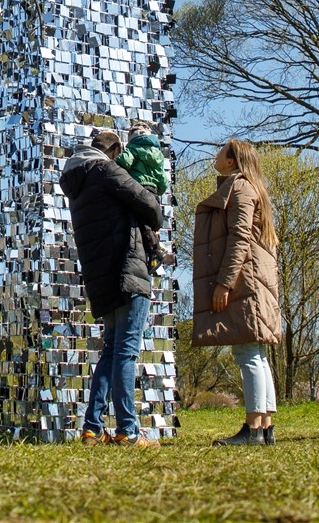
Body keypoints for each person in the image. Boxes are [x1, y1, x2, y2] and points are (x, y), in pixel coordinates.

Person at [60, 127, 164, 447]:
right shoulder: (106, 170)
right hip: (126, 270)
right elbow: (151, 207)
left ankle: (92, 428)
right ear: (116, 151)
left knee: (110, 352)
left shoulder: (78, 182)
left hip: (101, 277)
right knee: (126, 353)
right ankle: (128, 431)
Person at [191, 138, 282, 446]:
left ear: (231, 161)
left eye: (220, 151)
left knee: (247, 353)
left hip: (245, 282)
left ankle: (253, 428)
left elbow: (239, 238)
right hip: (253, 281)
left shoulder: (240, 189)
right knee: (255, 353)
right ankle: (265, 426)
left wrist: (224, 283)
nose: (215, 155)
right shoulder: (249, 188)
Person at [117, 120, 174, 274]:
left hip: (139, 188)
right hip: (154, 192)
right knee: (150, 221)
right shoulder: (158, 154)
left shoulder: (134, 148)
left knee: (140, 222)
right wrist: (159, 189)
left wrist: (114, 164)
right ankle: (153, 250)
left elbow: (123, 162)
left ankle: (154, 250)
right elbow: (163, 179)